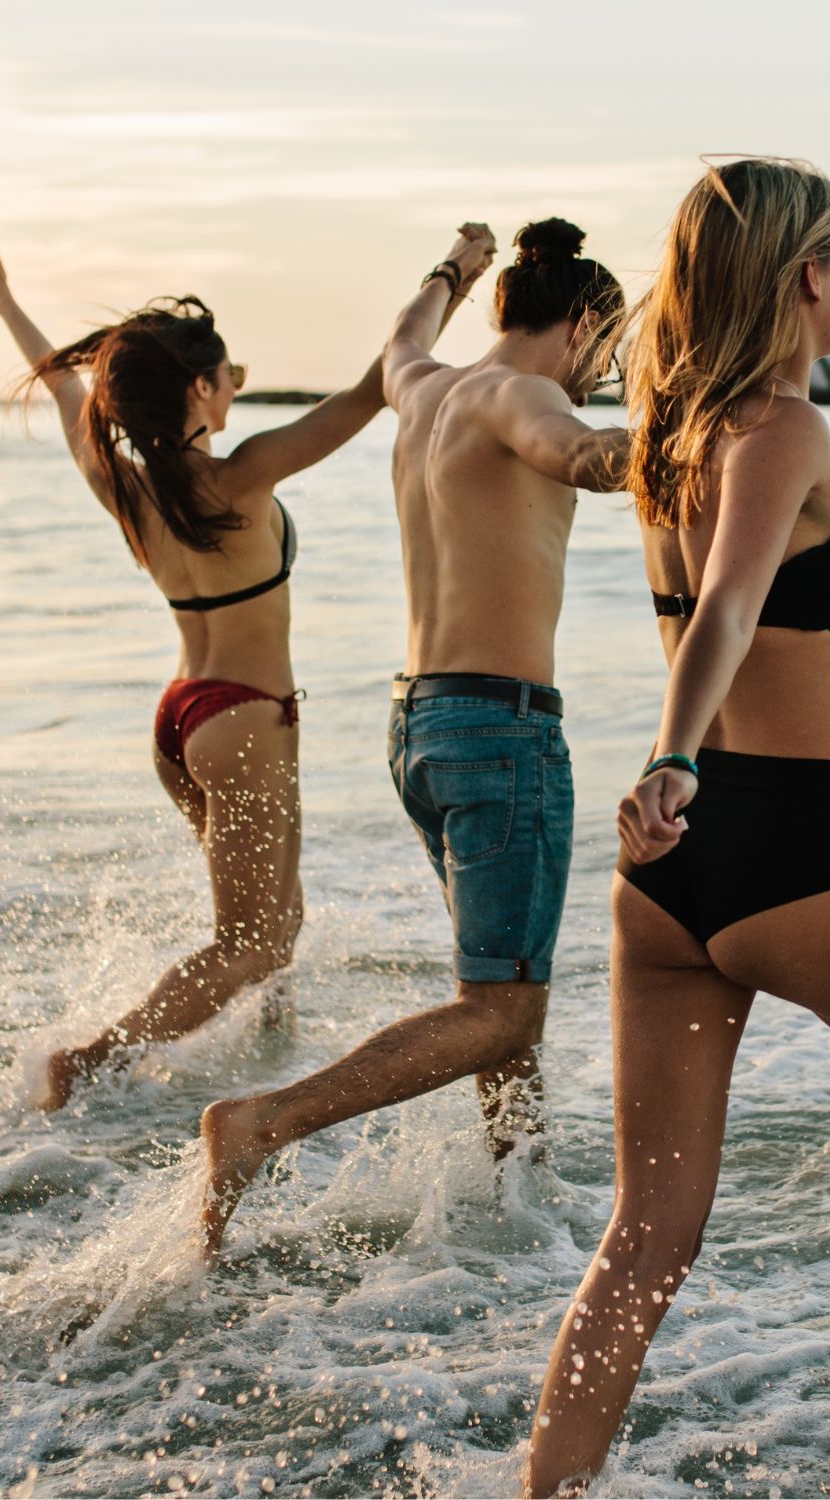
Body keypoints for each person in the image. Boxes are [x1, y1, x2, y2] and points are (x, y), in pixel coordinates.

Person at [520, 160, 830, 1495]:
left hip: (671, 882)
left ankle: (546, 1491)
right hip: (802, 850)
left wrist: (676, 779)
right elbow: (735, 608)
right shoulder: (782, 430)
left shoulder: (671, 439)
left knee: (646, 1234)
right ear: (808, 274)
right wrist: (673, 753)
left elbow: (716, 601)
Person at [0, 231, 473, 1111]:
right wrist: (452, 273)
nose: (238, 387)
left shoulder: (125, 484)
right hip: (246, 721)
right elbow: (383, 381)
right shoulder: (242, 476)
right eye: (230, 376)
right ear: (199, 388)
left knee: (275, 924)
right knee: (251, 944)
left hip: (183, 719)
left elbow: (62, 382)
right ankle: (90, 1062)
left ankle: (267, 1061)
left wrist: (1, 297)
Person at [194, 218, 631, 1249]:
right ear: (578, 324)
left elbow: (401, 331)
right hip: (500, 729)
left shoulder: (423, 383)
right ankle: (263, 1124)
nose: (606, 368)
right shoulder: (526, 395)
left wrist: (451, 269)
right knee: (503, 1009)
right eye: (607, 346)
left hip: (420, 725)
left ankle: (520, 1195)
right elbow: (579, 455)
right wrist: (701, 432)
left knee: (500, 983)